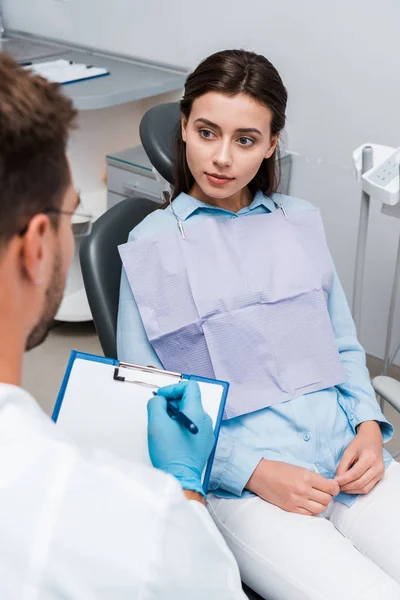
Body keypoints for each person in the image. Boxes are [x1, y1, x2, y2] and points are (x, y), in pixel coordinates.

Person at [117, 49, 400, 599]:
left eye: (245, 140)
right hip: (245, 486)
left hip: (346, 454)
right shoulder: (152, 245)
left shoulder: (296, 220)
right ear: (183, 128)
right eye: (206, 132)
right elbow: (149, 396)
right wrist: (251, 471)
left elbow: (343, 343)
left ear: (271, 145)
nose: (221, 158)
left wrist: (369, 429)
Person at [0, 53, 247, 599]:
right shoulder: (132, 526)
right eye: (72, 216)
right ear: (39, 246)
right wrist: (186, 493)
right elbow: (207, 582)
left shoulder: (291, 219)